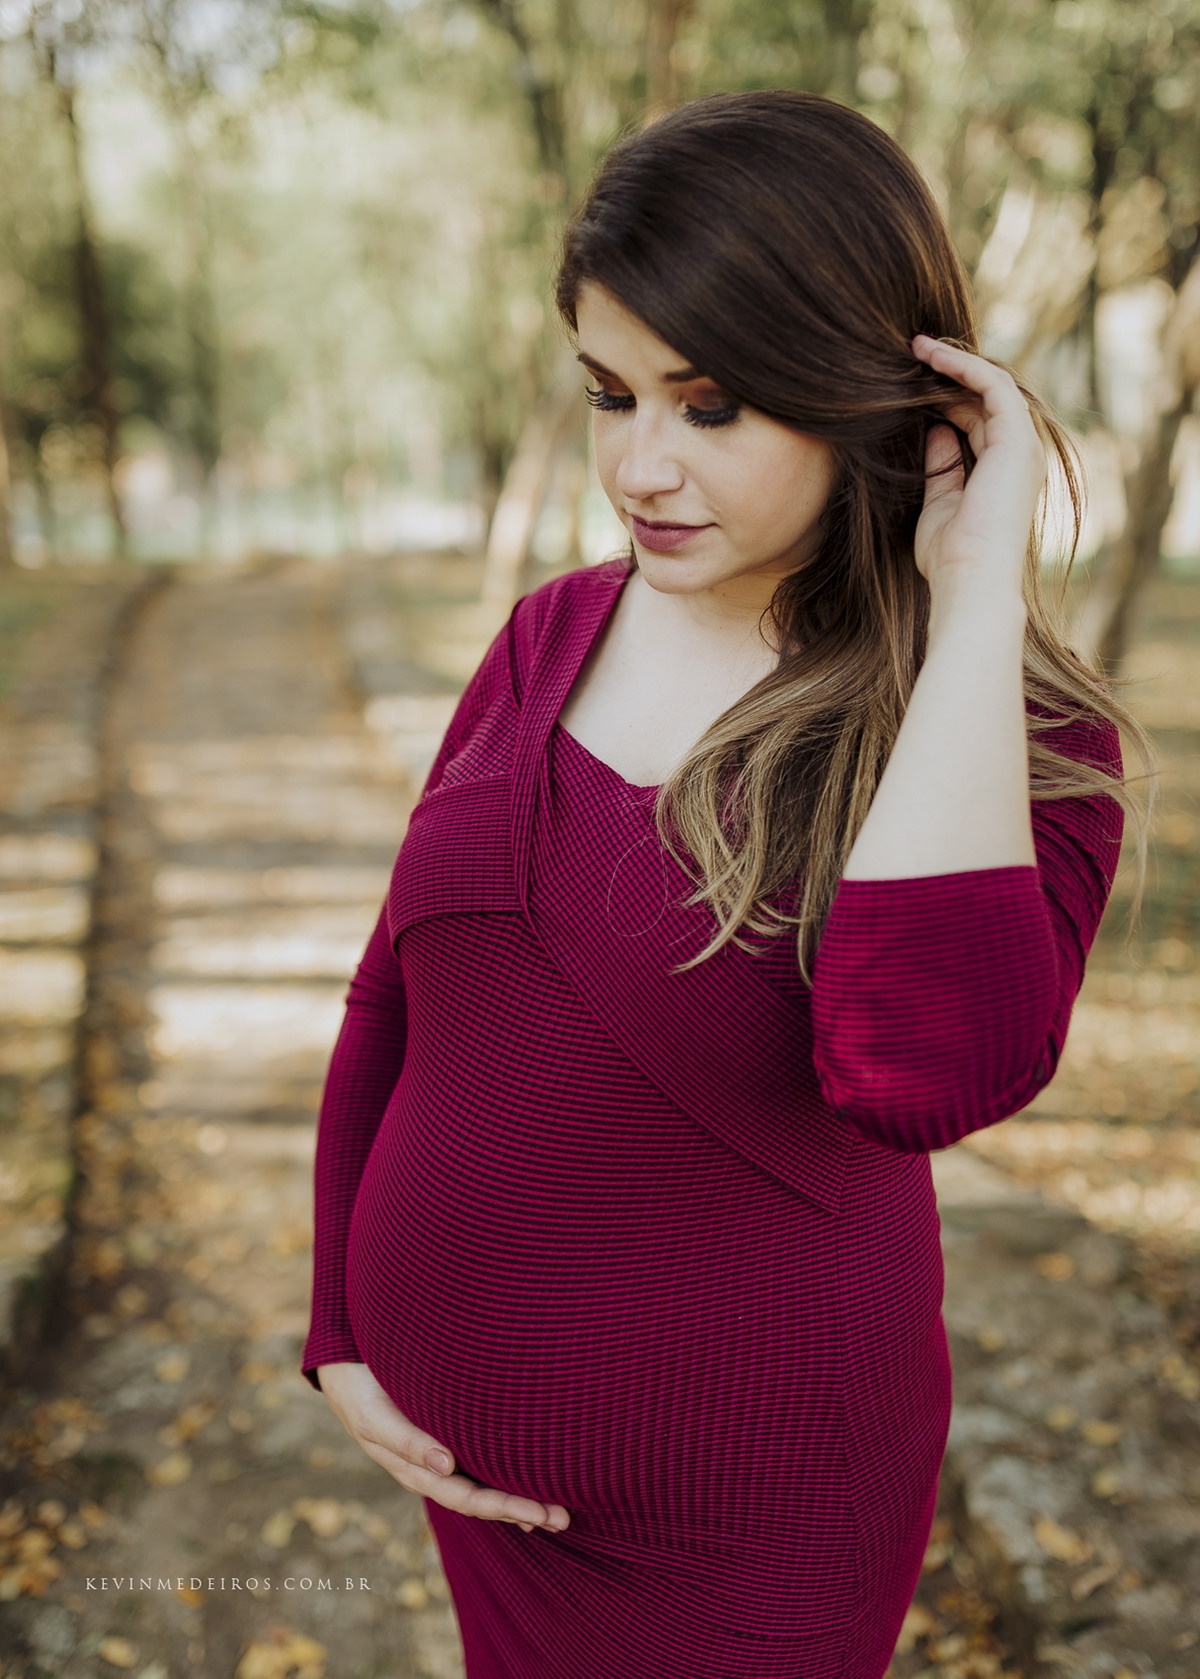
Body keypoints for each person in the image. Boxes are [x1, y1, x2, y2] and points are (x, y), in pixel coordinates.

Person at [302, 91, 1145, 1678]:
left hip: (755, 1526)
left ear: (872, 403)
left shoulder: (1011, 733)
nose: (640, 466)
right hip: (472, 1492)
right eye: (610, 393)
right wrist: (340, 1327)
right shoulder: (549, 633)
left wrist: (972, 600)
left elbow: (923, 1077)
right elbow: (397, 988)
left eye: (712, 406)